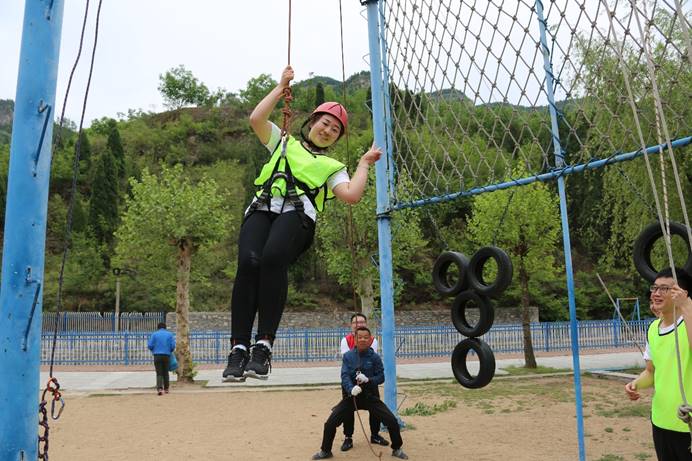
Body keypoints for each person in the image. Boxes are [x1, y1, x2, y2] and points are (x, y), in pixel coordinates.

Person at [222, 65, 382, 381]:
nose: (327, 130)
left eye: (335, 129)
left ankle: (263, 345)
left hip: (297, 215)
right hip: (263, 207)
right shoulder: (284, 142)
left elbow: (351, 195)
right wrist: (280, 88)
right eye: (324, 123)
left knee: (272, 259)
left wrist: (363, 164)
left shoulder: (333, 166)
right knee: (249, 263)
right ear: (311, 123)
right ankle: (239, 348)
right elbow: (256, 119)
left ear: (337, 139)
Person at [624, 267, 692, 460]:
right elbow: (651, 371)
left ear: (682, 293)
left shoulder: (689, 324)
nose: (656, 293)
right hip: (661, 422)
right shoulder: (653, 328)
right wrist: (636, 384)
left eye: (664, 288)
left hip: (688, 424)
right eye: (654, 288)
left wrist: (687, 306)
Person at [312, 327, 408, 460]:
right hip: (352, 397)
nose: (363, 339)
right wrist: (351, 388)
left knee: (391, 420)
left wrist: (368, 380)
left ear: (370, 339)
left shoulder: (375, 357)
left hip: (370, 396)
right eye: (360, 337)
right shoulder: (348, 356)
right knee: (330, 423)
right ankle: (325, 450)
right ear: (355, 339)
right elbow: (344, 375)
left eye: (366, 337)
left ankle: (396, 448)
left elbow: (381, 377)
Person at [338, 313, 389, 451]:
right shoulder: (345, 340)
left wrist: (367, 379)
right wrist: (352, 384)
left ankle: (375, 434)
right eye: (356, 322)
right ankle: (348, 437)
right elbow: (349, 360)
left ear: (365, 324)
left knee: (375, 408)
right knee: (348, 410)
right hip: (350, 382)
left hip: (368, 381)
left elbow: (371, 358)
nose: (359, 325)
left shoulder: (372, 340)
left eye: (361, 322)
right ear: (351, 325)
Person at [147, 322, 176, 395]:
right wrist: (169, 351)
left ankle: (160, 389)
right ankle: (166, 389)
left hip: (157, 355)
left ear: (158, 327)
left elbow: (150, 345)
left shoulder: (154, 334)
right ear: (165, 327)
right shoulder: (170, 334)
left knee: (159, 372)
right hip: (166, 355)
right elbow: (173, 346)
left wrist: (154, 350)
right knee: (166, 372)